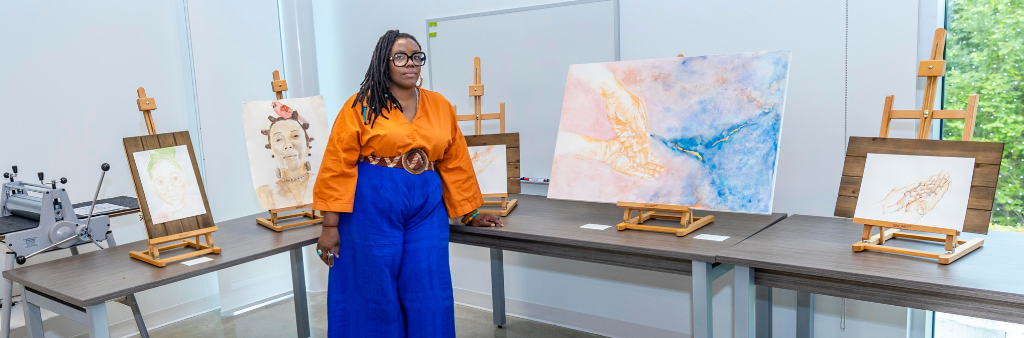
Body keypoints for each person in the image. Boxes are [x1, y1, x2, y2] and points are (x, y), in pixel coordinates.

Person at [313, 30, 504, 338]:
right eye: (400, 57)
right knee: (374, 291)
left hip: (426, 210)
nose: (410, 64)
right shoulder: (359, 106)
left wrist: (470, 213)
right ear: (383, 63)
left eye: (417, 57)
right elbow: (337, 165)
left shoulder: (440, 105)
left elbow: (455, 162)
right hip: (371, 208)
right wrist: (330, 227)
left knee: (429, 289)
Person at [255, 101, 317, 209]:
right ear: (272, 150)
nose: (288, 145)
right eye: (278, 139)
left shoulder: (324, 183)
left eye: (295, 136)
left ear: (307, 145)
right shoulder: (266, 193)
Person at [147, 147, 205, 223]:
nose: (170, 188)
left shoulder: (200, 203)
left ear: (183, 177)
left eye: (175, 178)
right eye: (161, 182)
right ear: (154, 186)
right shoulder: (157, 221)